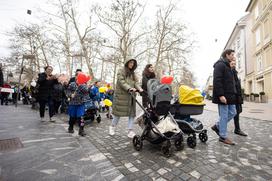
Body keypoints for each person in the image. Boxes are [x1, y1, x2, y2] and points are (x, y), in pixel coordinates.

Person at [109, 58, 143, 138]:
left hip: (131, 97)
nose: (132, 64)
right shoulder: (121, 70)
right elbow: (121, 82)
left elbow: (136, 83)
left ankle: (130, 131)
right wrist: (129, 88)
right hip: (121, 96)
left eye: (133, 63)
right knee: (118, 114)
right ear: (127, 63)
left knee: (132, 114)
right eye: (130, 63)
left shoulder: (133, 73)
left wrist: (140, 89)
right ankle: (112, 127)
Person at [211, 49, 237, 145]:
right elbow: (217, 80)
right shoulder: (220, 64)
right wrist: (221, 95)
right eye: (232, 55)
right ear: (227, 55)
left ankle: (217, 126)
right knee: (224, 115)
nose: (233, 56)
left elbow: (230, 81)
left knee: (233, 112)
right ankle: (223, 136)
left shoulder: (228, 66)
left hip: (230, 95)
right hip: (224, 95)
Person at [230, 59, 247, 136]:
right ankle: (218, 126)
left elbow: (237, 84)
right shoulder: (229, 72)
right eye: (232, 64)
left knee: (238, 111)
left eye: (235, 64)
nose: (234, 65)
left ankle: (237, 129)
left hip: (237, 96)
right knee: (232, 113)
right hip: (233, 96)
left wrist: (240, 96)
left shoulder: (235, 72)